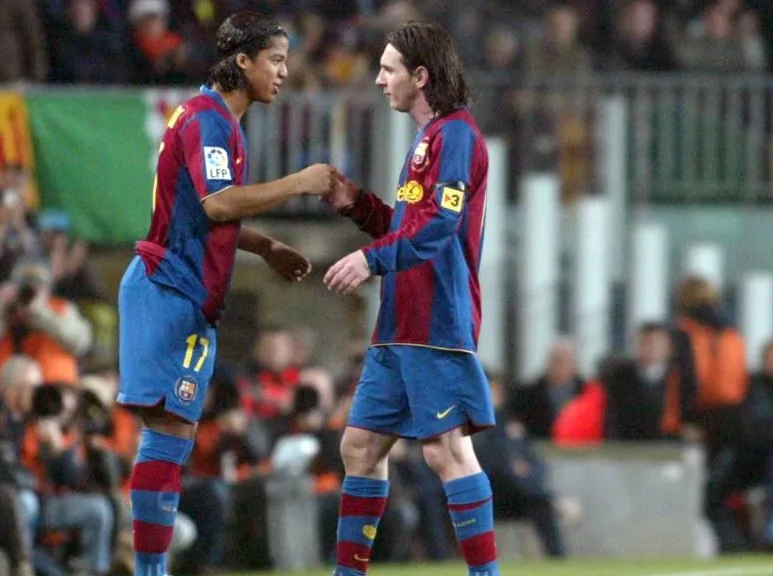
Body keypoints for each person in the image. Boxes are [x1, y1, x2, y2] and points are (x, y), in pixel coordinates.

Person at [115, 11, 337, 576]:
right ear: (243, 61)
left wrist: (263, 247)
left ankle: (150, 568)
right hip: (167, 288)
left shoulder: (219, 121)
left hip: (185, 293)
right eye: (277, 60)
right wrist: (297, 183)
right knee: (168, 433)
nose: (285, 72)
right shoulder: (210, 121)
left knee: (176, 435)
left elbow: (204, 212)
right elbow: (217, 205)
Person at [321, 21, 498, 576]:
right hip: (399, 323)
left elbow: (439, 228)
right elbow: (407, 225)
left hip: (437, 320)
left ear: (420, 76)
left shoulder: (457, 137)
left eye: (388, 69)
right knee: (360, 448)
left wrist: (369, 260)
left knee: (445, 452)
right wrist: (356, 205)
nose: (377, 80)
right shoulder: (427, 141)